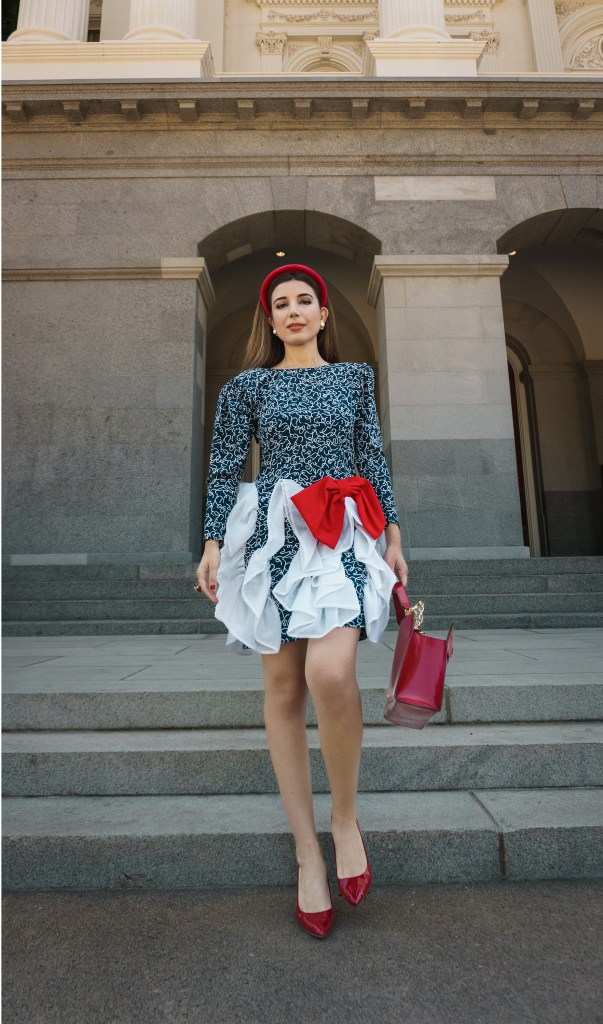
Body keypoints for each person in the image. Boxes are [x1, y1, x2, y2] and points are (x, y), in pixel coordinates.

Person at [195, 263, 408, 938]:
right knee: (284, 689)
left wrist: (394, 536)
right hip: (272, 535)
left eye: (303, 301)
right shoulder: (246, 386)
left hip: (344, 529)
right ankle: (306, 854)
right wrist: (209, 544)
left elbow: (370, 456)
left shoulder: (354, 378)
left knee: (329, 672)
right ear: (271, 319)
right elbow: (225, 464)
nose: (292, 310)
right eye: (279, 303)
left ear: (322, 315)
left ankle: (343, 819)